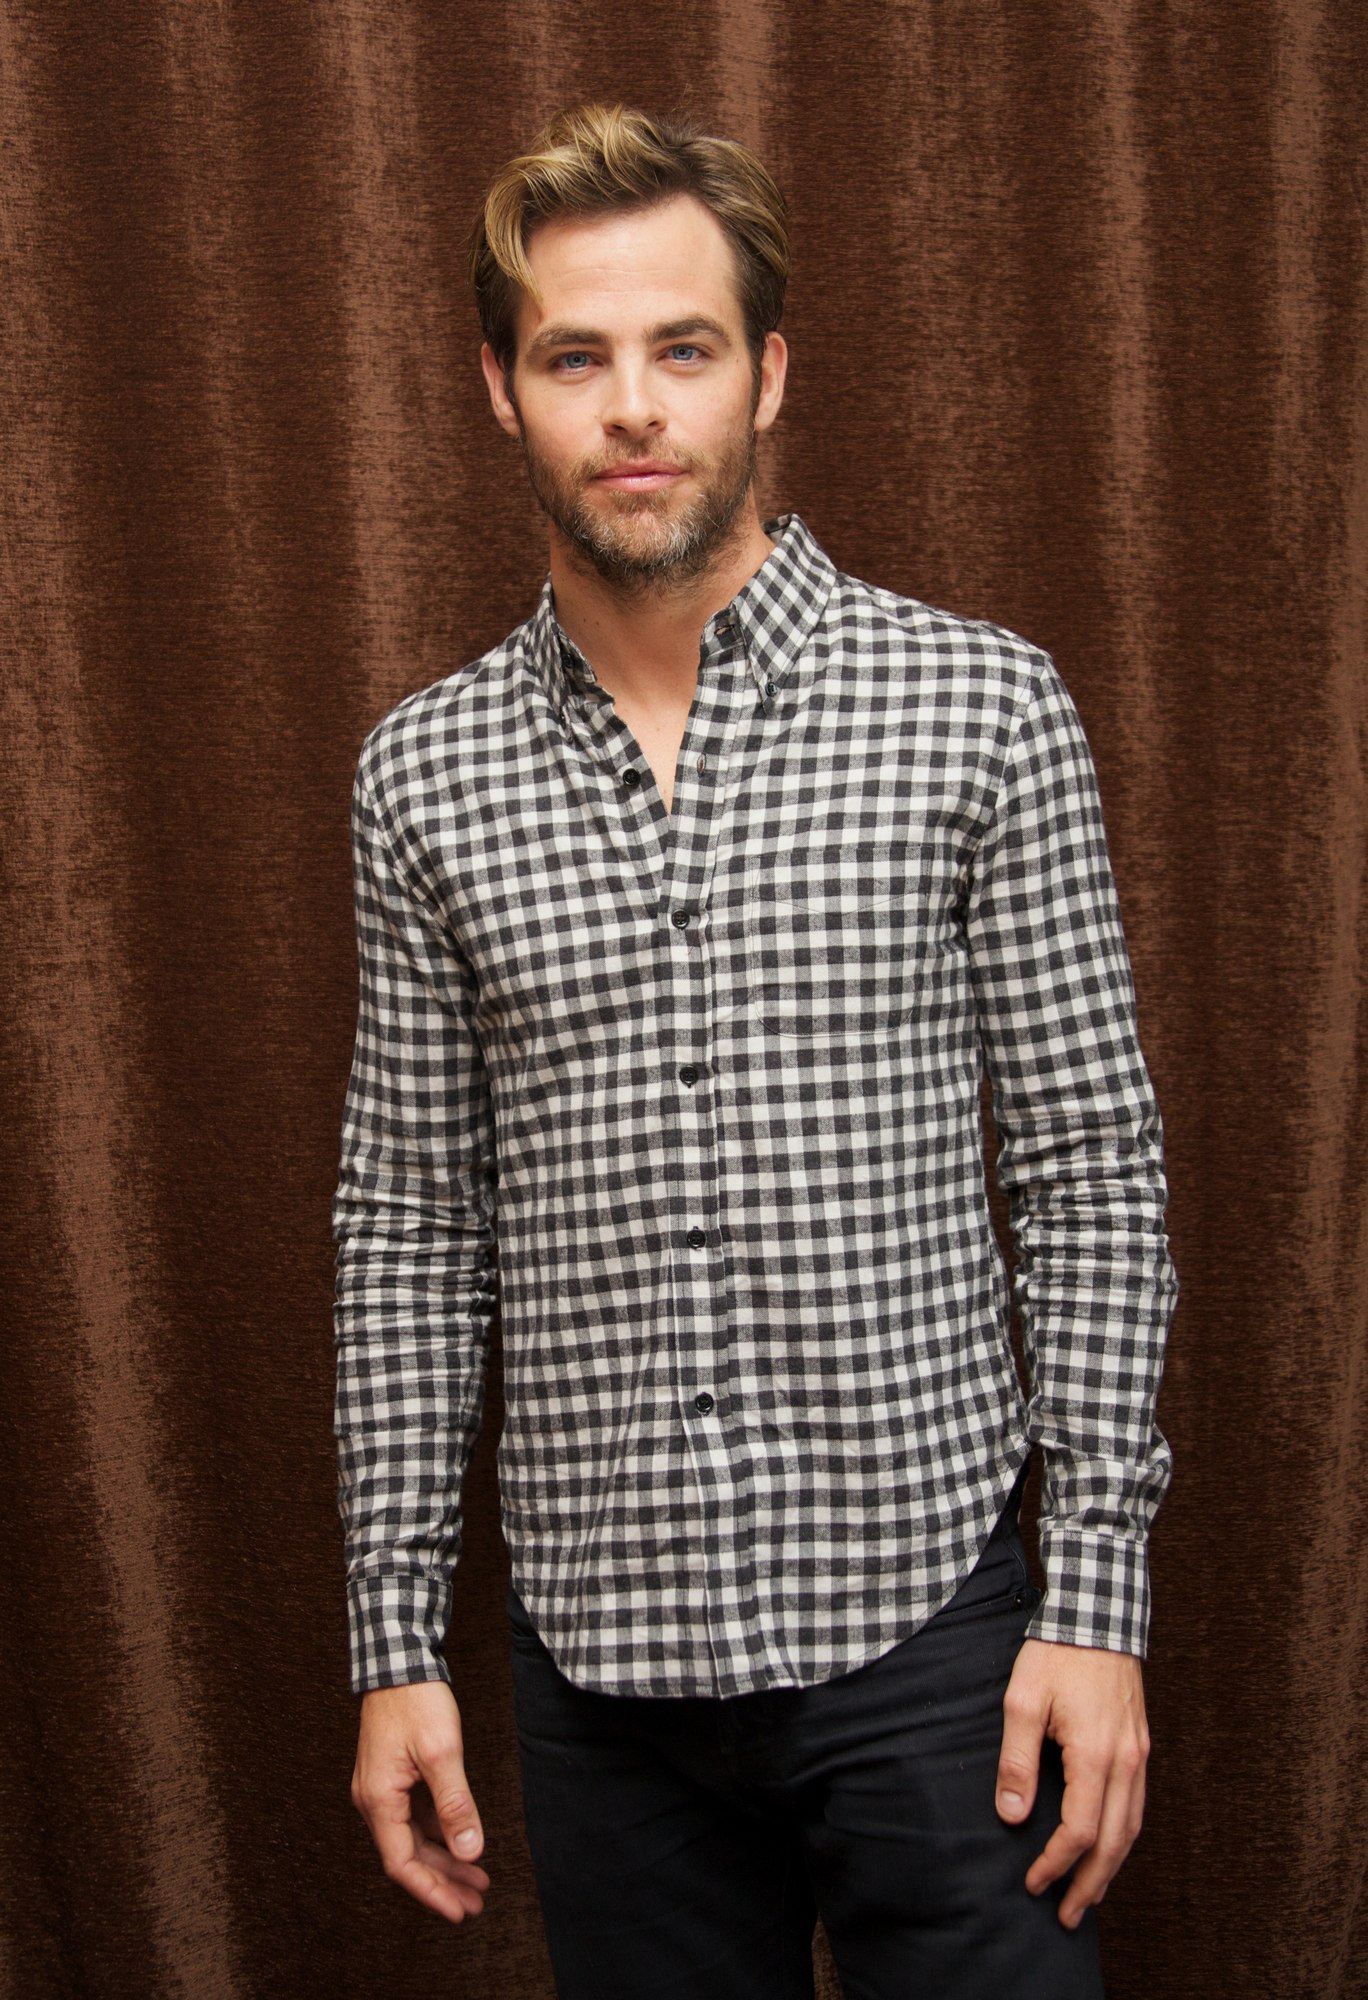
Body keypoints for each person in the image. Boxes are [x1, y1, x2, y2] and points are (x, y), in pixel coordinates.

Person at [331, 101, 1179, 2000]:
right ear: (499, 389)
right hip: (602, 1682)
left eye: (685, 348)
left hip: (939, 1639)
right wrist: (396, 1642)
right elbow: (409, 1231)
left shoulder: (978, 707)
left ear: (769, 374)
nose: (634, 406)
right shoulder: (422, 777)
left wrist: (1098, 1602)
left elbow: (1090, 1174)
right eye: (576, 356)